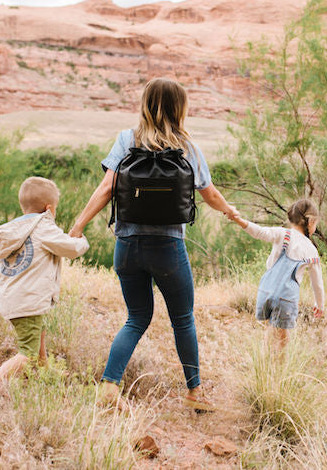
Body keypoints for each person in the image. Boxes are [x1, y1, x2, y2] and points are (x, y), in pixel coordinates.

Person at [68, 77, 238, 412]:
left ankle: (109, 385)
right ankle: (194, 393)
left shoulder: (126, 139)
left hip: (127, 244)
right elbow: (211, 193)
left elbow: (106, 189)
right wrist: (231, 212)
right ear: (181, 108)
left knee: (136, 317)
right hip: (168, 247)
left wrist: (78, 224)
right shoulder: (188, 147)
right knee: (183, 319)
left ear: (146, 104)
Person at [0, 176, 89, 394]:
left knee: (37, 332)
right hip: (28, 298)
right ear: (49, 209)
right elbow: (70, 249)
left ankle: (45, 373)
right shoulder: (44, 227)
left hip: (10, 297)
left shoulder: (8, 230)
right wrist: (80, 239)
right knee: (28, 352)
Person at [228, 198, 325, 347]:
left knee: (270, 328)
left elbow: (259, 232)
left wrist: (239, 220)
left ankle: (265, 361)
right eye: (316, 224)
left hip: (266, 291)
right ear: (310, 221)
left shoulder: (282, 234)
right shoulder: (311, 249)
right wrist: (320, 305)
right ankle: (279, 368)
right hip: (286, 297)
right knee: (282, 338)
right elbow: (317, 283)